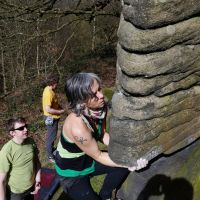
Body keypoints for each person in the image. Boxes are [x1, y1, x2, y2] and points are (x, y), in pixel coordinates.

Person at [55, 72, 148, 200]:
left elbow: (102, 134)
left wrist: (127, 153)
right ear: (81, 101)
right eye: (94, 95)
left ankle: (106, 195)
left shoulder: (99, 108)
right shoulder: (78, 127)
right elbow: (98, 155)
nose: (101, 95)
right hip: (72, 172)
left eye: (99, 89)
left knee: (120, 167)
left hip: (87, 158)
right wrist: (129, 162)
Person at [0, 117, 41, 200]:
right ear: (12, 133)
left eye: (26, 126)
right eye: (21, 128)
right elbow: (1, 181)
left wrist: (38, 179)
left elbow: (36, 161)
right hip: (16, 193)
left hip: (31, 187)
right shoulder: (6, 151)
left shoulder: (30, 141)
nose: (26, 129)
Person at [42, 74, 65, 162]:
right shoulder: (48, 93)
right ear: (53, 83)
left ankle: (51, 150)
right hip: (50, 118)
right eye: (56, 83)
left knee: (52, 135)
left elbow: (52, 103)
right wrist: (60, 111)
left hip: (53, 117)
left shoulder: (49, 89)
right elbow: (47, 109)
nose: (57, 84)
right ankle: (50, 156)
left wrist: (59, 106)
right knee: (51, 137)